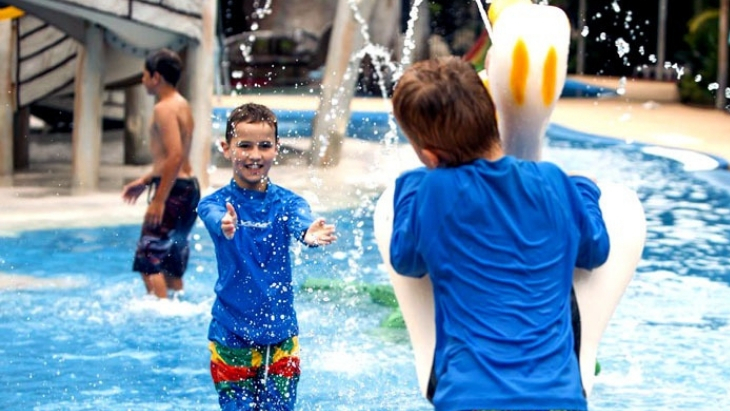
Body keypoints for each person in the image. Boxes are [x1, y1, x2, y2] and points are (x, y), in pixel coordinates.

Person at [388, 56, 610, 411]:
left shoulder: (431, 191)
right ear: (492, 114)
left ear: (430, 155)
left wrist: (410, 183)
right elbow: (595, 250)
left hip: (469, 397)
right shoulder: (553, 182)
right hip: (558, 397)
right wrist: (583, 189)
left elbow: (405, 259)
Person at [197, 103, 337, 411]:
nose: (254, 155)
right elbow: (213, 217)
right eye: (244, 145)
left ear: (276, 148)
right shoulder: (213, 204)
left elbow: (302, 222)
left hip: (281, 336)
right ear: (226, 148)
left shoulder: (288, 203)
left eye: (264, 146)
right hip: (231, 334)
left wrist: (308, 233)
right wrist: (225, 225)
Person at [122, 48, 200, 299]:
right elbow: (176, 157)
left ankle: (160, 314)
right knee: (171, 259)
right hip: (189, 188)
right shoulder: (182, 104)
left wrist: (158, 200)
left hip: (173, 190)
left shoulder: (164, 108)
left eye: (145, 75)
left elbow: (175, 155)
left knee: (149, 258)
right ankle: (175, 306)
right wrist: (146, 181)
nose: (143, 80)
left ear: (156, 77)